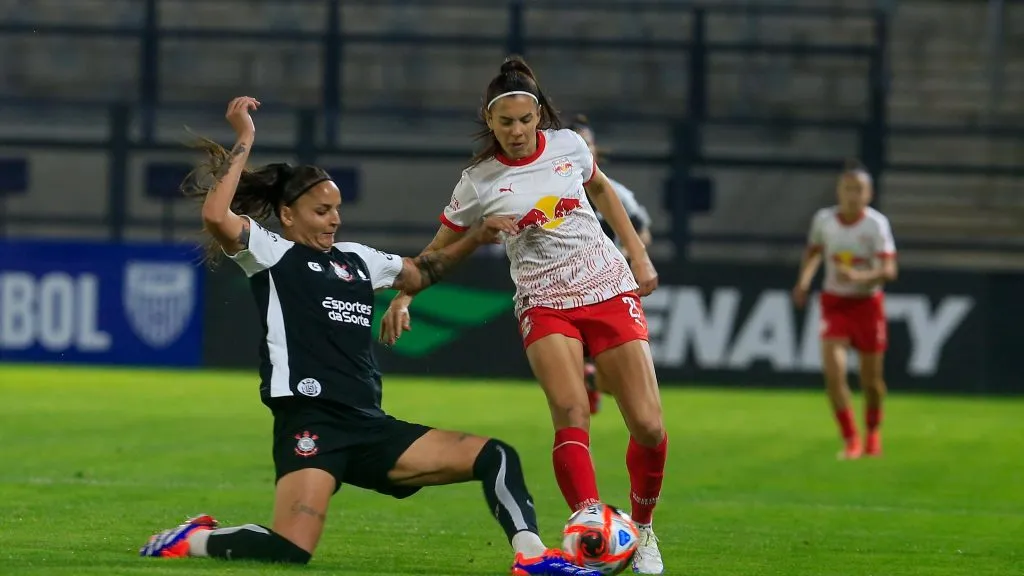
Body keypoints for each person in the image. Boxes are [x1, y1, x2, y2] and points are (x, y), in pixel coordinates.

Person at [138, 96, 603, 576]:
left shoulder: (356, 259)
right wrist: (245, 139)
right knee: (291, 550)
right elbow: (217, 216)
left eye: (337, 209)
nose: (334, 219)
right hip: (311, 424)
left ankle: (532, 556)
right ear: (289, 215)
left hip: (369, 426)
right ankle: (195, 540)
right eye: (321, 211)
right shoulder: (271, 253)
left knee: (495, 456)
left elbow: (421, 273)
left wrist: (476, 237)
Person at [380, 56, 668, 575]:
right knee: (571, 411)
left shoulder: (569, 147)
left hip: (605, 285)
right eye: (505, 122)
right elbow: (439, 244)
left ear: (540, 117)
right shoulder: (478, 181)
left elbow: (601, 188)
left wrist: (637, 253)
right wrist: (406, 296)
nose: (516, 131)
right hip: (542, 300)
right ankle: (589, 524)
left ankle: (642, 530)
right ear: (489, 121)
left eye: (525, 120)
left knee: (648, 426)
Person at [792, 160, 897, 460]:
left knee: (871, 382)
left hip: (867, 305)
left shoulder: (876, 225)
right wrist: (803, 281)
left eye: (859, 189)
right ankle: (851, 439)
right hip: (835, 303)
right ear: (839, 191)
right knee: (835, 376)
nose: (852, 195)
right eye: (847, 188)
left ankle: (873, 432)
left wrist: (861, 277)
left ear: (869, 193)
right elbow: (813, 252)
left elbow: (889, 270)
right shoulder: (824, 221)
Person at [568, 114, 655, 415]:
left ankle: (592, 382)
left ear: (593, 150)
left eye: (586, 144)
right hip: (567, 289)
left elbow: (643, 230)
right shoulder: (550, 195)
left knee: (616, 380)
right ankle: (582, 387)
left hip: (611, 289)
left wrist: (633, 256)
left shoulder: (614, 191)